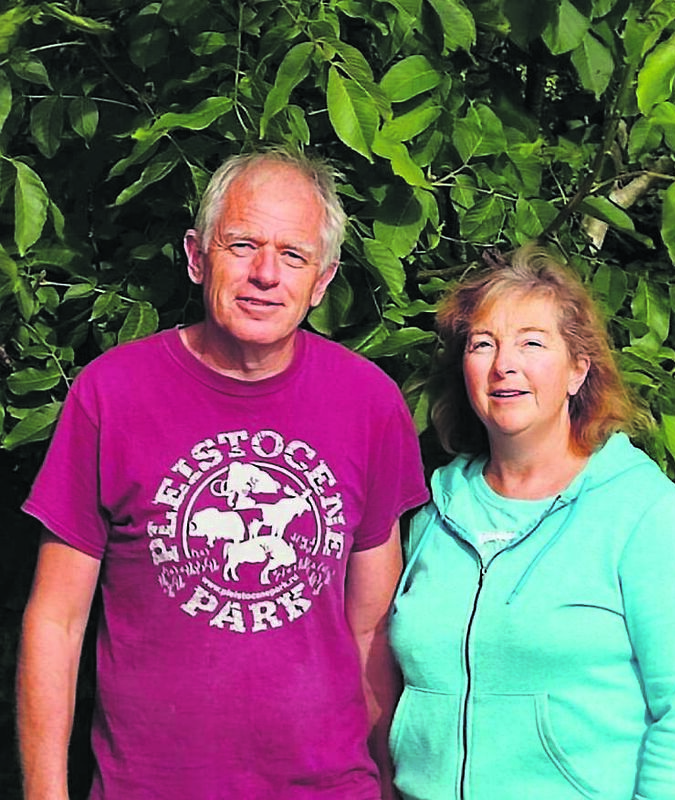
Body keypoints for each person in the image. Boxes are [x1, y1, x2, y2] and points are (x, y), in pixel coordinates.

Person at [17, 149, 428, 800]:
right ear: (196, 256)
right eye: (242, 244)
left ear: (321, 282)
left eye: (293, 255)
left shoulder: (368, 404)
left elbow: (370, 626)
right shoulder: (110, 396)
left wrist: (384, 783)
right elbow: (55, 622)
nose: (266, 274)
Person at [388, 244, 675, 799]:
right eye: (483, 344)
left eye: (532, 342)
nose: (505, 364)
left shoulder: (643, 513)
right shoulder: (431, 512)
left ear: (578, 370)